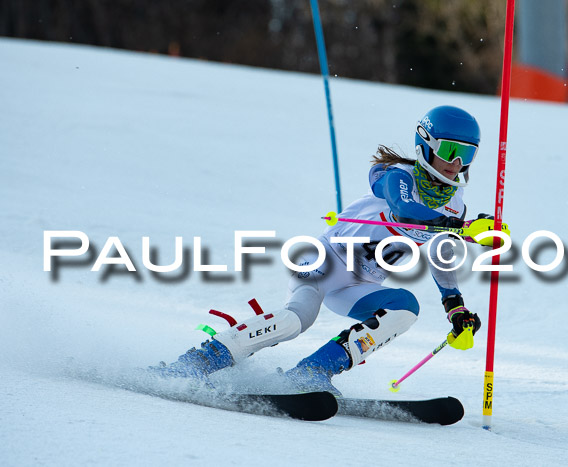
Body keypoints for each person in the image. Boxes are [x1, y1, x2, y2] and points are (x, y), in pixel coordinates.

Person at [157, 105, 505, 396]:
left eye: (467, 154)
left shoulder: (455, 206)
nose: (456, 162)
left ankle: (310, 374)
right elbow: (405, 211)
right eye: (449, 151)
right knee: (297, 320)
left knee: (405, 308)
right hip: (324, 261)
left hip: (357, 284)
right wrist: (465, 228)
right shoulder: (396, 175)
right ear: (425, 144)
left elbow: (439, 254)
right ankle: (200, 360)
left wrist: (455, 307)